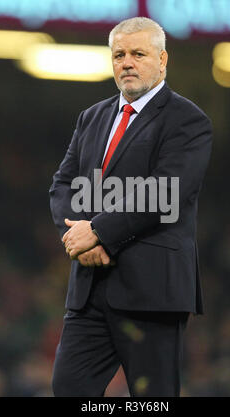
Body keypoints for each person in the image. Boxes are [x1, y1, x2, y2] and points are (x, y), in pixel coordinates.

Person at [49, 16, 212, 397]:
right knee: (67, 388)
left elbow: (164, 191)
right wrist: (76, 235)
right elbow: (63, 183)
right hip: (90, 290)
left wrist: (99, 232)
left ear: (162, 60)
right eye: (119, 54)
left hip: (151, 293)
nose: (127, 62)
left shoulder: (188, 121)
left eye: (138, 54)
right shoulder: (91, 117)